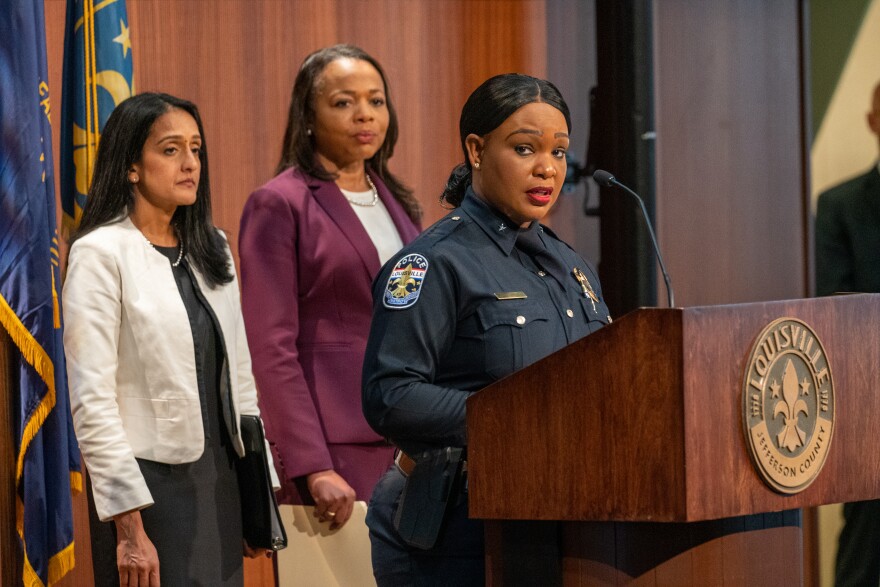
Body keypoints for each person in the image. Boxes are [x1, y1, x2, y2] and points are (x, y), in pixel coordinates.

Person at [361, 73, 612, 585]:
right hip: (452, 531)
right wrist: (517, 417)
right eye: (525, 149)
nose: (547, 168)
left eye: (560, 153)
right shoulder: (433, 263)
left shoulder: (572, 266)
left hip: (558, 523)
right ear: (476, 150)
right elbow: (391, 394)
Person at [63, 92, 277, 587]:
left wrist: (255, 496)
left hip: (220, 481)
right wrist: (130, 528)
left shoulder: (213, 247)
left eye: (197, 149)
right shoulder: (101, 253)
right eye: (171, 149)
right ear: (132, 166)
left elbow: (240, 378)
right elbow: (93, 401)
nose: (190, 164)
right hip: (149, 490)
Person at [239, 44, 421, 529]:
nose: (365, 114)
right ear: (309, 115)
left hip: (407, 442)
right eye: (343, 102)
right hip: (333, 450)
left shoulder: (398, 204)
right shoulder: (279, 204)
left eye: (376, 100)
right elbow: (270, 346)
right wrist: (311, 462)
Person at [816, 80, 880, 586]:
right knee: (866, 546)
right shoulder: (840, 206)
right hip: (872, 402)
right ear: (873, 122)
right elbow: (837, 310)